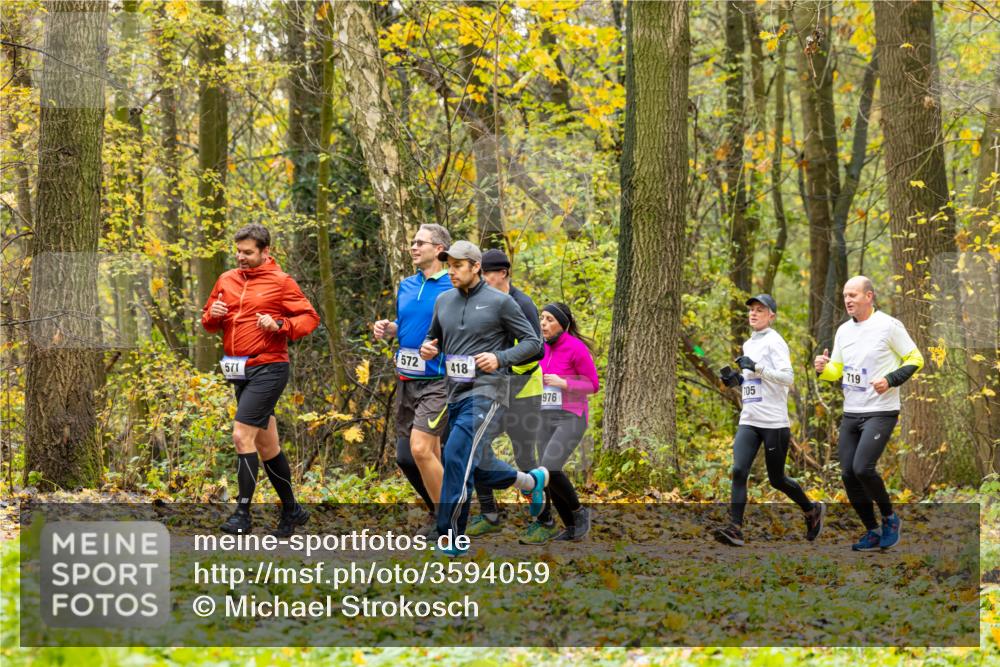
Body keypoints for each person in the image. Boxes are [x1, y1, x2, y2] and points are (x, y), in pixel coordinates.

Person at [419, 241, 549, 555]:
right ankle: (530, 483)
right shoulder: (443, 301)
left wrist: (500, 358)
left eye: (457, 265)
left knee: (455, 456)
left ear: (476, 266)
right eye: (448, 265)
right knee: (475, 464)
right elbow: (432, 337)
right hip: (454, 392)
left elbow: (534, 343)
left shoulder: (500, 302)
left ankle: (451, 538)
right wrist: (428, 348)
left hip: (488, 393)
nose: (451, 271)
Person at [201, 223, 320, 536]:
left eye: (248, 252)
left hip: (269, 367)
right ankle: (292, 510)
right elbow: (209, 323)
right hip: (238, 370)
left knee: (242, 436)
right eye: (238, 251)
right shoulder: (225, 279)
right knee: (267, 444)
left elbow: (309, 318)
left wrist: (279, 324)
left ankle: (242, 514)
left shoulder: (280, 282)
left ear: (265, 252)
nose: (241, 257)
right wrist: (213, 313)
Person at [814, 276, 923, 551]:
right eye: (845, 295)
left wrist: (890, 379)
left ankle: (890, 519)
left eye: (853, 295)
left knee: (863, 467)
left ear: (869, 296)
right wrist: (822, 368)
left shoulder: (888, 326)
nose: (848, 300)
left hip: (881, 410)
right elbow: (836, 371)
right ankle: (872, 531)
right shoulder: (843, 331)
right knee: (848, 474)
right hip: (852, 411)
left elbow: (916, 358)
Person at [713, 294, 825, 547]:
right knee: (739, 470)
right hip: (750, 419)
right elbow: (751, 380)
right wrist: (736, 381)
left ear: (771, 315)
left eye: (760, 310)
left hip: (774, 423)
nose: (753, 314)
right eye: (752, 310)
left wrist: (757, 368)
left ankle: (811, 510)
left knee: (777, 480)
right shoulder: (748, 344)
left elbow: (787, 378)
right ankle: (735, 529)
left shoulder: (776, 342)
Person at [465, 249, 552, 543]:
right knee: (476, 446)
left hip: (524, 391)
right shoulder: (481, 302)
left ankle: (545, 520)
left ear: (502, 273)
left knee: (525, 455)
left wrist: (502, 363)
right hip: (492, 389)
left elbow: (537, 349)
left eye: (486, 273)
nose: (482, 278)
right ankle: (489, 514)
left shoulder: (522, 303)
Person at [373, 224, 453, 533]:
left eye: (420, 243)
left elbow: (465, 335)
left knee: (423, 450)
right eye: (412, 242)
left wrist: (439, 351)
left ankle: (450, 520)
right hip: (407, 379)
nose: (413, 247)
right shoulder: (406, 285)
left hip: (438, 381)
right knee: (408, 457)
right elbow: (408, 325)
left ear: (439, 249)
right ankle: (439, 513)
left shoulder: (452, 288)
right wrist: (389, 328)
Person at [533, 301, 600, 542]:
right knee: (544, 473)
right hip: (544, 416)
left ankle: (579, 512)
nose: (543, 323)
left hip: (572, 416)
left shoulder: (576, 348)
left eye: (550, 319)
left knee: (549, 466)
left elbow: (593, 385)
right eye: (542, 318)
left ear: (564, 324)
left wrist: (565, 383)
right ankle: (571, 527)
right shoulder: (540, 348)